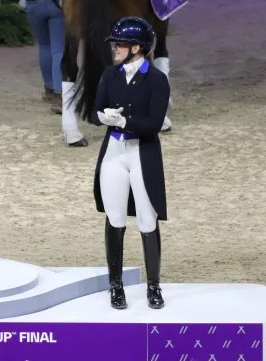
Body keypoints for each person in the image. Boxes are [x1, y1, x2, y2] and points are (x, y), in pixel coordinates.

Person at [92, 16, 169, 310]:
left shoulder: (157, 80)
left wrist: (125, 120)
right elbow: (97, 108)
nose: (115, 49)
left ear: (137, 47)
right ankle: (116, 285)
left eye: (120, 44)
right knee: (115, 219)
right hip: (114, 151)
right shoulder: (110, 75)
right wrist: (104, 116)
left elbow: (155, 123)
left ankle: (153, 286)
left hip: (142, 152)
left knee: (147, 221)